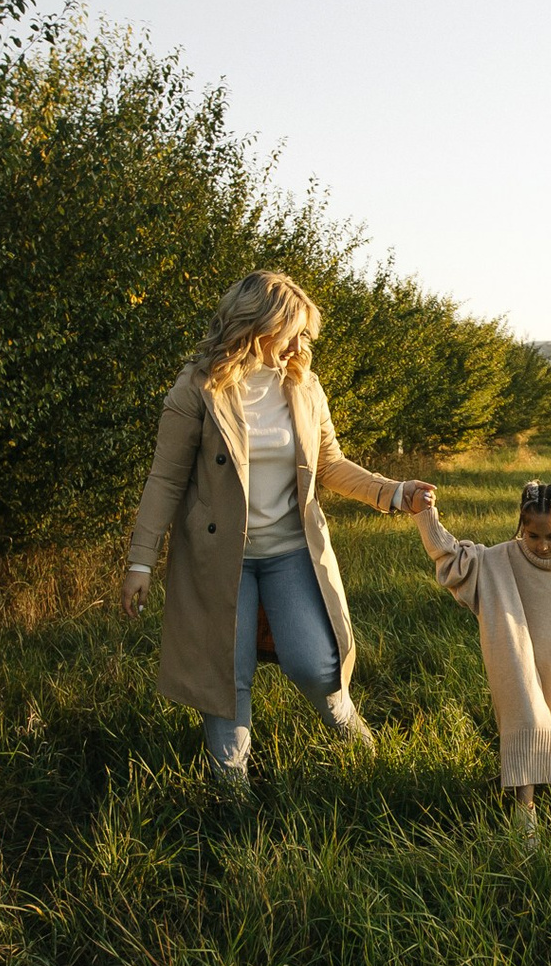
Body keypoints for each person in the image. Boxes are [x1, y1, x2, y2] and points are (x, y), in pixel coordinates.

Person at [120, 271, 433, 787]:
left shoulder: (302, 385)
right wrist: (140, 561)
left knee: (316, 662)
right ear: (259, 325)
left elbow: (328, 463)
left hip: (292, 551)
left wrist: (393, 492)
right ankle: (231, 789)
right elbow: (165, 479)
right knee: (228, 674)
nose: (299, 344)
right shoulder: (197, 387)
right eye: (293, 331)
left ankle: (357, 739)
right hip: (221, 559)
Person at [410, 480, 551, 834]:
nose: (543, 546)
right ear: (522, 527)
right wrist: (426, 515)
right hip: (513, 661)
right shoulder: (501, 559)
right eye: (533, 536)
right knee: (526, 719)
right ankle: (525, 805)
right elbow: (454, 561)